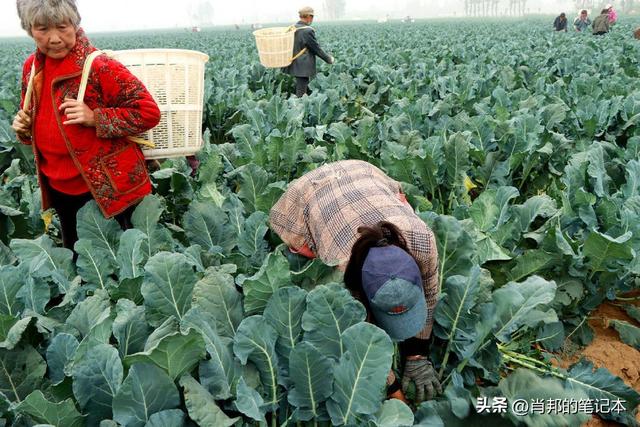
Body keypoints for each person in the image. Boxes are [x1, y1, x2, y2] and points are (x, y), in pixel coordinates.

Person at [269, 160, 441, 402]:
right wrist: (392, 389)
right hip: (311, 192)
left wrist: (417, 356)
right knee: (306, 259)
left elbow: (431, 294)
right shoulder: (340, 270)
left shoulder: (422, 240)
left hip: (363, 174)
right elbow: (358, 332)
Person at [12, 0, 161, 250]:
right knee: (80, 261)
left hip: (108, 191)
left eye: (62, 27)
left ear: (75, 23)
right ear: (29, 30)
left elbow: (148, 112)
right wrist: (24, 128)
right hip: (59, 187)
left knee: (121, 259)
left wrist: (96, 117)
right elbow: (37, 127)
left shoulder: (99, 66)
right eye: (43, 29)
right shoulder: (32, 67)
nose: (55, 38)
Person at [282, 6, 334, 97]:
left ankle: (298, 105)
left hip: (293, 62)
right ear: (309, 16)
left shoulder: (292, 28)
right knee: (301, 92)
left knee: (300, 87)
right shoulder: (307, 31)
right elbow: (316, 49)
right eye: (312, 17)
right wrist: (329, 59)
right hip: (302, 65)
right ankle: (300, 108)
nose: (312, 19)